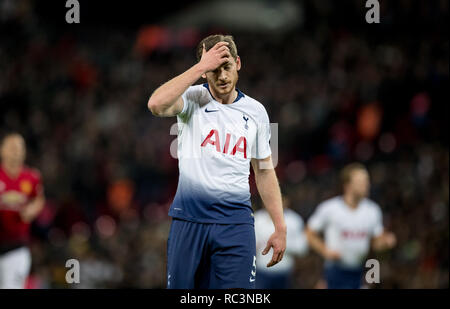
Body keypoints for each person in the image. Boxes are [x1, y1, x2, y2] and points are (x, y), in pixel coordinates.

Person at [147, 34, 286, 289]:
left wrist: (280, 226)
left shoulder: (258, 111)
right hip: (190, 219)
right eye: (213, 70)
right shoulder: (191, 98)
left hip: (236, 223)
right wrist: (201, 65)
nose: (222, 76)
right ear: (204, 72)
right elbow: (155, 104)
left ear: (238, 63)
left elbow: (265, 170)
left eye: (227, 67)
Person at [305, 163, 396, 289]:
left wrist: (386, 242)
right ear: (347, 185)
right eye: (361, 181)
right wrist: (325, 250)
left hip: (360, 271)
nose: (366, 185)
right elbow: (309, 233)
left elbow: (376, 243)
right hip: (335, 270)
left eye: (367, 180)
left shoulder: (373, 210)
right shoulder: (330, 208)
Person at [0, 133, 45, 289]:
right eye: (12, 147)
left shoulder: (32, 177)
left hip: (16, 247)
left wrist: (33, 209)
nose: (16, 151)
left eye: (19, 148)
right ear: (2, 150)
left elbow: (39, 199)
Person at [254, 196, 308, 289]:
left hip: (285, 274)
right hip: (260, 273)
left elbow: (302, 248)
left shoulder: (294, 220)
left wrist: (281, 245)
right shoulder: (257, 218)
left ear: (286, 201)